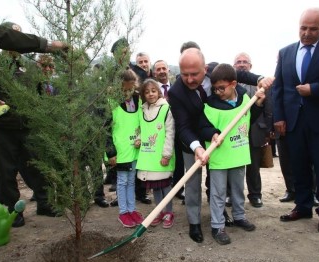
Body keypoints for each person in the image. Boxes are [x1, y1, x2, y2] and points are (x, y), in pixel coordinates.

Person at [0, 1, 67, 262]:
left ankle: (46, 203)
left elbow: (39, 97)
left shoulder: (29, 69)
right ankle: (14, 212)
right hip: (1, 128)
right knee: (4, 172)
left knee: (34, 166)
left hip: (28, 127)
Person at [168, 48, 273, 243]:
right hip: (193, 139)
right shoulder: (176, 92)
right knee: (192, 184)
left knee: (220, 183)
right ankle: (195, 223)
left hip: (224, 143)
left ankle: (224, 215)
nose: (190, 79)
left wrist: (260, 78)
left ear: (205, 68)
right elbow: (183, 126)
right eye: (184, 75)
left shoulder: (217, 74)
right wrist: (197, 147)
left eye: (194, 74)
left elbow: (238, 74)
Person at [272, 8, 319, 233]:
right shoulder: (286, 52)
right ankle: (302, 206)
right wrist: (279, 117)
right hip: (294, 122)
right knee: (299, 166)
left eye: (313, 29)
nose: (306, 33)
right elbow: (279, 88)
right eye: (303, 28)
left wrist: (314, 89)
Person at [199, 63, 265, 244]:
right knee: (218, 192)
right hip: (220, 157)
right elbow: (203, 126)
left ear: (234, 84)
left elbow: (249, 118)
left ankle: (239, 216)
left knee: (237, 189)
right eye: (215, 88)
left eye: (222, 88)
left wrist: (258, 104)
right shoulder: (210, 105)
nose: (218, 92)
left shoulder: (244, 98)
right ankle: (217, 225)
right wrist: (211, 133)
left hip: (239, 154)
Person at [233, 52, 272, 208]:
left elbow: (268, 107)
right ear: (234, 66)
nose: (242, 64)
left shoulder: (261, 84)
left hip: (255, 130)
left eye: (245, 62)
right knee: (234, 165)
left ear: (251, 65)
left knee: (254, 165)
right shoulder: (231, 84)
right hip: (235, 131)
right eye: (239, 62)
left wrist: (268, 130)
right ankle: (232, 195)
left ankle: (255, 195)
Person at [106, 69, 144, 228]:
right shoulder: (110, 103)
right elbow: (105, 130)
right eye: (124, 90)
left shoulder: (138, 100)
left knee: (131, 180)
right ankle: (123, 212)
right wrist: (110, 153)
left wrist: (140, 138)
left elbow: (142, 123)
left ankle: (132, 209)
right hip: (120, 151)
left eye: (131, 89)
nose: (128, 93)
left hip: (134, 150)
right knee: (122, 181)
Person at [136, 79, 175, 228]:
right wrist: (139, 139)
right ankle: (158, 211)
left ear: (159, 92)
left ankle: (169, 212)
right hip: (148, 157)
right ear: (143, 95)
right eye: (147, 92)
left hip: (161, 157)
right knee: (156, 187)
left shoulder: (166, 109)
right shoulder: (142, 109)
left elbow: (170, 133)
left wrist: (166, 154)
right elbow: (142, 128)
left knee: (165, 186)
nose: (150, 94)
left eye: (153, 91)